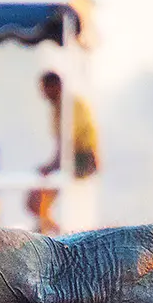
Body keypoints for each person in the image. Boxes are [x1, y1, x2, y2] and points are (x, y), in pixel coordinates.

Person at [27, 71, 100, 234]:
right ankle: (49, 228)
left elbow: (68, 143)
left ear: (55, 87)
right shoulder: (58, 107)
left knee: (39, 198)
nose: (43, 93)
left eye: (45, 88)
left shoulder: (69, 105)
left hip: (82, 160)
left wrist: (51, 167)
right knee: (35, 201)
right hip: (72, 158)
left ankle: (52, 230)